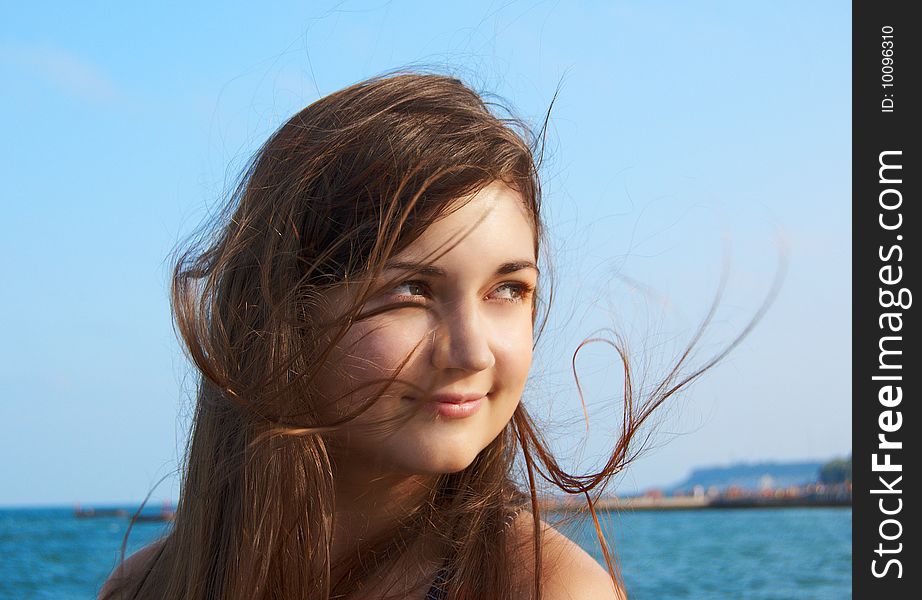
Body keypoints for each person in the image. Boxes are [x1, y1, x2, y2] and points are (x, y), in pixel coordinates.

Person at [100, 72, 752, 600]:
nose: (472, 352)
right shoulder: (145, 587)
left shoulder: (548, 590)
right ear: (283, 314)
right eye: (412, 291)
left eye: (508, 289)